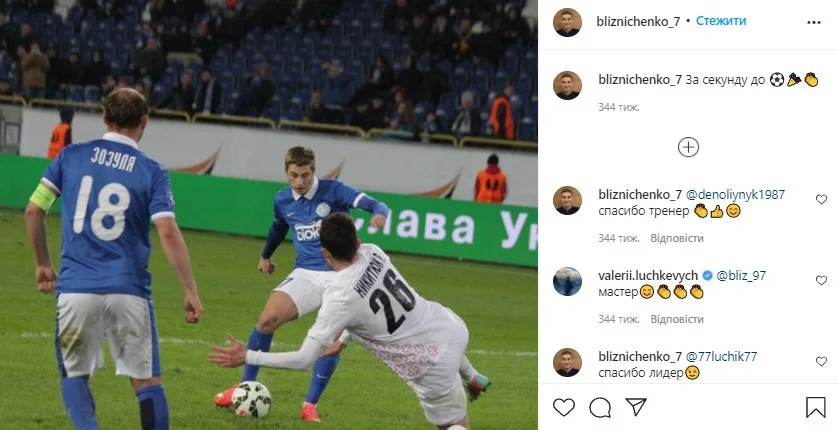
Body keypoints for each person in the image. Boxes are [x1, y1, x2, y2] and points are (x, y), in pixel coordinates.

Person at [23, 88, 205, 430]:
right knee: (147, 382)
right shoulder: (152, 170)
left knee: (75, 375)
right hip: (129, 290)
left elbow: (34, 210)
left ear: (105, 118)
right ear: (144, 122)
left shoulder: (70, 156)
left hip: (75, 289)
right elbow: (167, 231)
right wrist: (190, 291)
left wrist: (43, 264)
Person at [209, 212, 491, 429]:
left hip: (430, 362)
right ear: (357, 242)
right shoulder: (373, 251)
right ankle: (473, 378)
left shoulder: (340, 298)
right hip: (449, 325)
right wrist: (344, 339)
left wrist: (249, 356)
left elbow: (303, 360)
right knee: (439, 343)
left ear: (325, 253)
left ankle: (468, 384)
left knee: (452, 425)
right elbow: (368, 308)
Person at [212, 146, 391, 422]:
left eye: (305, 175)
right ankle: (245, 388)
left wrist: (379, 215)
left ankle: (310, 405)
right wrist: (265, 256)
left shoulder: (334, 190)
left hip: (342, 276)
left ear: (313, 170)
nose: (300, 181)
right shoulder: (282, 199)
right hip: (306, 272)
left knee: (331, 342)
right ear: (287, 172)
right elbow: (279, 227)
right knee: (267, 319)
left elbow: (376, 204)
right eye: (294, 175)